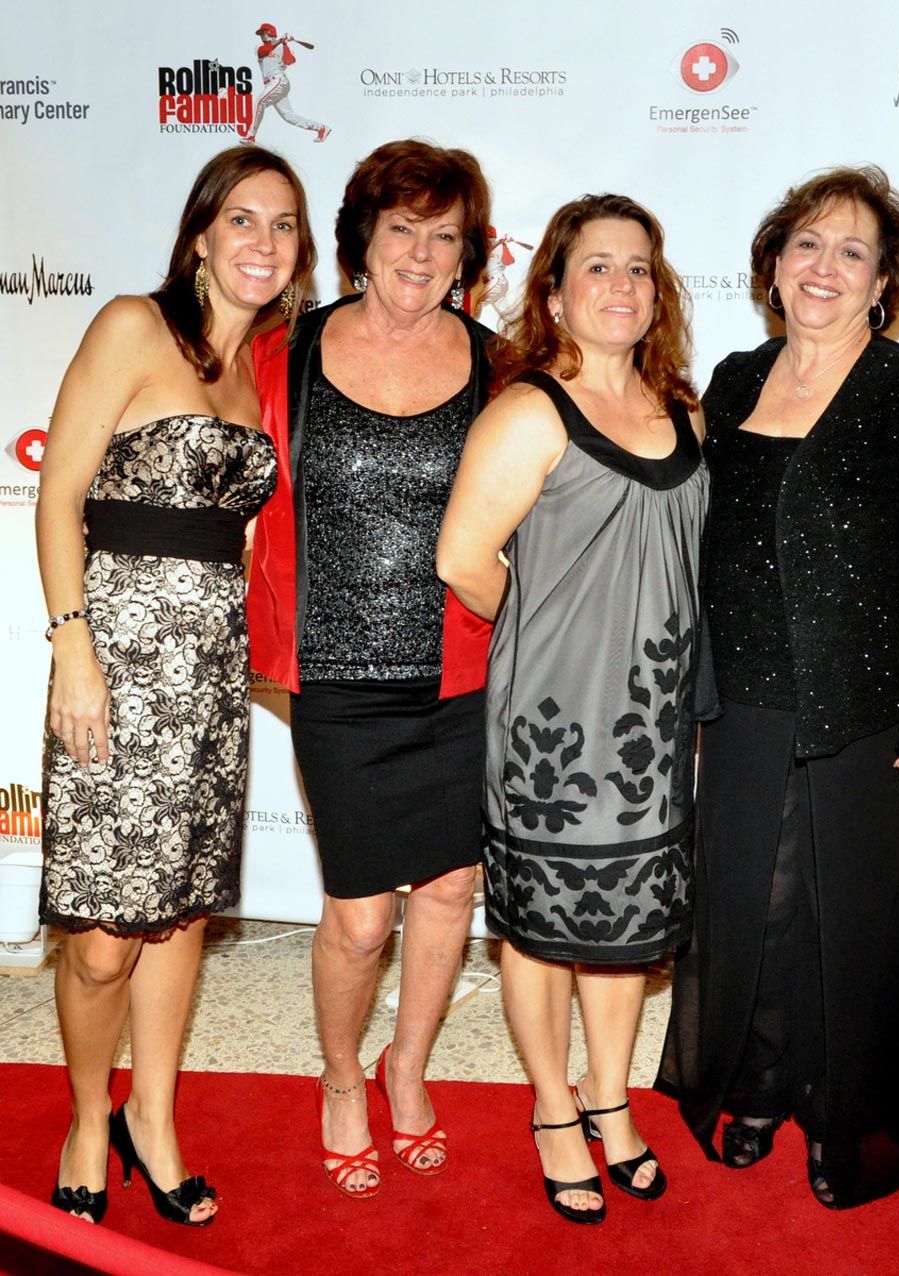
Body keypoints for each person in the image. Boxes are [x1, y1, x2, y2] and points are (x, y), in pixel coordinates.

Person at [656, 165, 899, 1210]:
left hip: (871, 705)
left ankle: (845, 1117)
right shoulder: (734, 381)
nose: (825, 267)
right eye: (807, 243)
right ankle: (755, 1085)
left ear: (884, 282)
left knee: (850, 919)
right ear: (773, 263)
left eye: (853, 252)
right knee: (751, 905)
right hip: (744, 696)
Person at [36, 145, 314, 1227]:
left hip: (209, 673)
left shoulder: (263, 367)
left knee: (181, 911)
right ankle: (85, 1117)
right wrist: (73, 651)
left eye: (283, 225)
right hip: (113, 662)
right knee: (106, 936)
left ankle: (152, 1116)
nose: (263, 241)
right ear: (200, 234)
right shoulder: (131, 327)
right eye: (242, 218)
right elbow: (59, 495)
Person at [438, 193, 712, 1224]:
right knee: (545, 929)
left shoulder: (685, 415)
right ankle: (554, 1108)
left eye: (638, 267)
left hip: (650, 724)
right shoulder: (528, 412)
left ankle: (611, 1096)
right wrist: (553, 629)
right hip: (551, 726)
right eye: (597, 265)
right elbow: (463, 559)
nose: (621, 285)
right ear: (553, 292)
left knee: (627, 928)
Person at [246, 139, 494, 1201]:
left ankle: (408, 1066)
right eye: (403, 229)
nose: (422, 254)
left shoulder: (499, 368)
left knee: (448, 889)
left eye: (445, 236)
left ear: (468, 255)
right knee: (358, 915)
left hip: (462, 675)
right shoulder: (283, 354)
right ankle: (342, 1074)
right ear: (362, 239)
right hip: (336, 678)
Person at [241, 23, 330, 146]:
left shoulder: (281, 46)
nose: (261, 36)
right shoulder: (259, 47)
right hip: (270, 85)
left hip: (279, 81)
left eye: (263, 33)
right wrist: (280, 40)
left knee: (259, 102)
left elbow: (290, 61)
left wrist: (285, 44)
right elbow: (263, 52)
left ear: (270, 32)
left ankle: (250, 136)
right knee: (289, 116)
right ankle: (321, 128)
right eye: (260, 34)